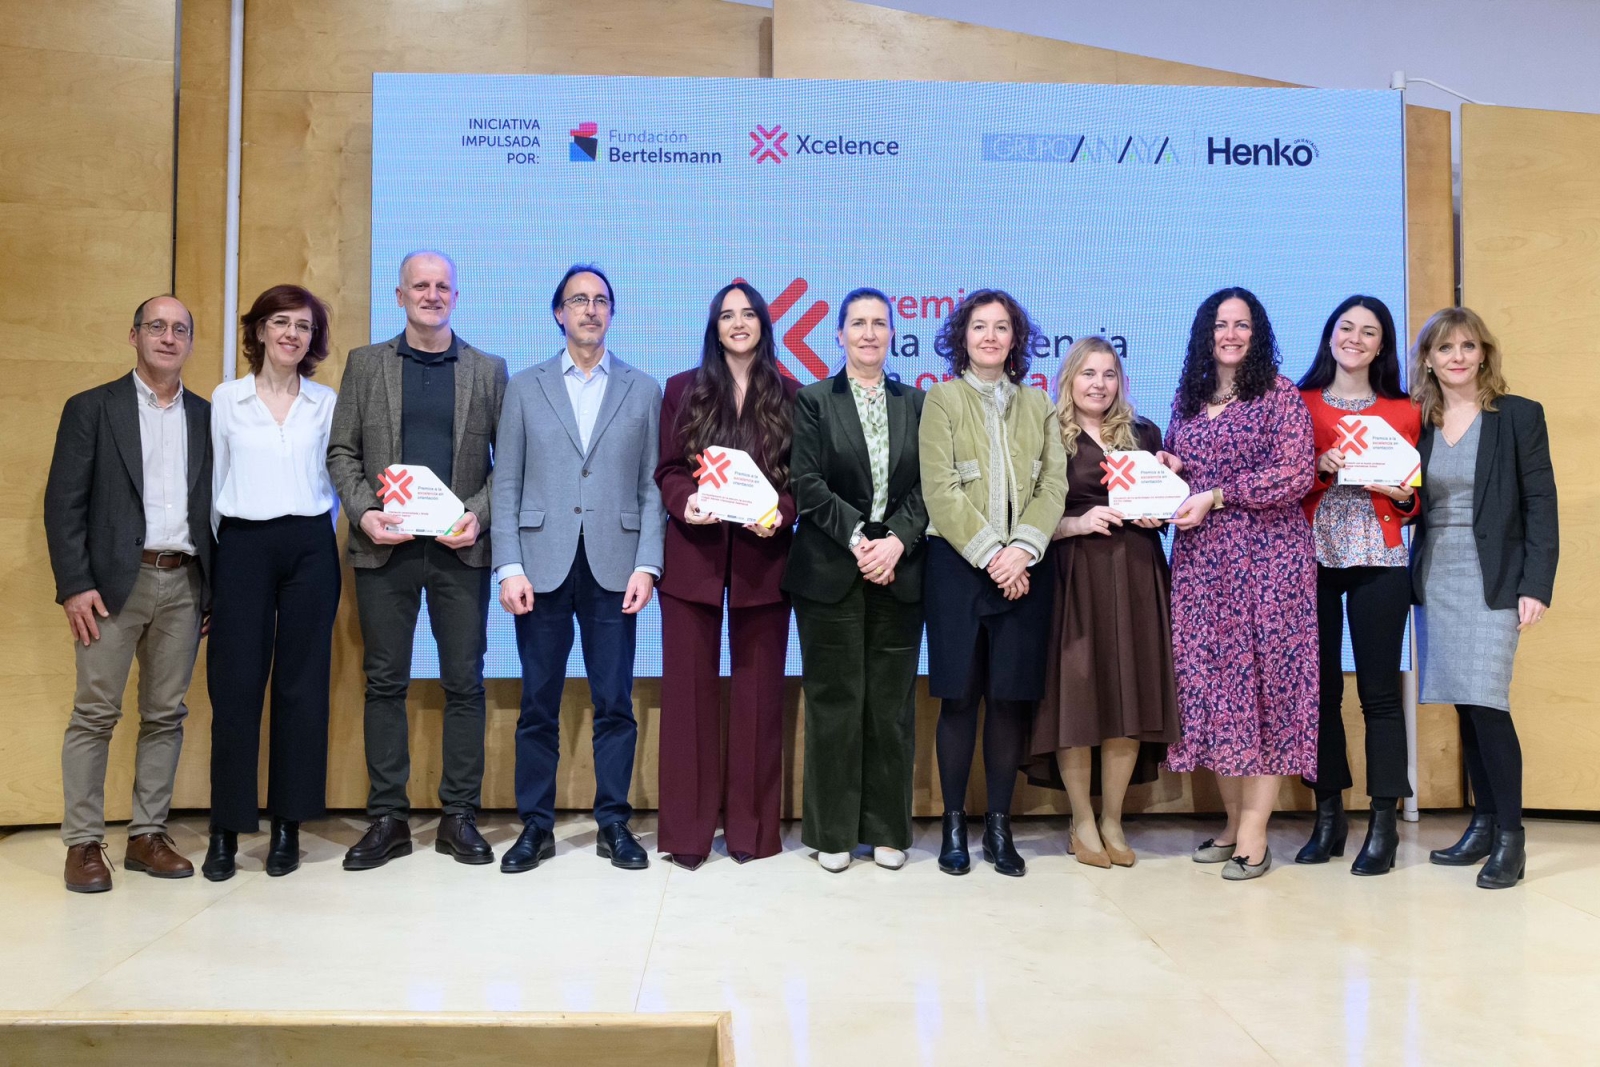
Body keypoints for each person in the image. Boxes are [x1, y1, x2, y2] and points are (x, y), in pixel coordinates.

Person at [327, 250, 507, 871]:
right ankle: (387, 819)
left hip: (460, 553)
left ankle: (459, 817)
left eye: (442, 287)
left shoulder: (487, 369)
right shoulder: (365, 364)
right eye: (420, 286)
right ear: (398, 295)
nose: (432, 295)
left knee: (464, 683)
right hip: (386, 549)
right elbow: (342, 452)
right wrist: (363, 512)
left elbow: (505, 466)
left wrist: (476, 515)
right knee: (385, 683)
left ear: (455, 296)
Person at [493, 264, 665, 873]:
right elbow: (506, 481)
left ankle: (614, 822)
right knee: (538, 703)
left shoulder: (643, 389)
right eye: (578, 300)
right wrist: (508, 565)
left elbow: (651, 487)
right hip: (540, 566)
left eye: (600, 301)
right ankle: (534, 826)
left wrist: (649, 563)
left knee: (615, 701)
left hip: (616, 568)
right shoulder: (524, 386)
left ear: (612, 313)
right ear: (558, 313)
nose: (590, 310)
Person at [44, 295, 213, 892]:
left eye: (180, 329)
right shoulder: (92, 408)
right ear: (134, 336)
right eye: (156, 327)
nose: (168, 337)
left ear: (190, 342)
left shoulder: (206, 415)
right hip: (112, 586)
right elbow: (63, 504)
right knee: (95, 714)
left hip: (186, 581)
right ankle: (83, 844)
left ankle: (147, 834)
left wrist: (213, 590)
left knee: (165, 715)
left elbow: (215, 509)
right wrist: (75, 585)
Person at [1161, 287, 1317, 881]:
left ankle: (1256, 832)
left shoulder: (1277, 394)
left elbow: (1296, 473)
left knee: (1267, 694)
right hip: (1202, 568)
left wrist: (1219, 494)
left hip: (1270, 567)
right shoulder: (1189, 396)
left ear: (1259, 333)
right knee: (1215, 696)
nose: (1230, 334)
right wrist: (1170, 467)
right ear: (1206, 332)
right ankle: (1231, 824)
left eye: (1242, 325)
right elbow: (1177, 463)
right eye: (1220, 324)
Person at [920, 289, 1066, 878]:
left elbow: (1052, 487)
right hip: (958, 569)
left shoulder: (1040, 406)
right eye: (979, 327)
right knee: (959, 700)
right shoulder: (942, 399)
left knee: (1008, 703)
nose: (989, 337)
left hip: (1025, 571)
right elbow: (939, 489)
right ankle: (954, 825)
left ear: (1015, 339)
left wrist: (1021, 552)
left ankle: (999, 829)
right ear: (963, 336)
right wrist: (991, 555)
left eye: (1001, 327)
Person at [653, 282, 799, 870]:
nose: (738, 323)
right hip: (694, 561)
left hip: (765, 567)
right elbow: (666, 468)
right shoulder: (681, 390)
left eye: (748, 314)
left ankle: (753, 831)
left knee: (759, 699)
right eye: (727, 315)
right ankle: (687, 836)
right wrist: (687, 500)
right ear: (714, 327)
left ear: (764, 324)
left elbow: (798, 482)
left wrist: (780, 515)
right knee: (687, 699)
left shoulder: (792, 394)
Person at [1410, 307, 1557, 890]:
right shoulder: (1418, 419)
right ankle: (1484, 822)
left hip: (1495, 574)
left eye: (1468, 346)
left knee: (1489, 701)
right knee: (1464, 702)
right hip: (1437, 574)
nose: (1458, 358)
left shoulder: (1518, 415)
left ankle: (1511, 837)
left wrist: (1535, 585)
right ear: (1428, 359)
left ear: (1484, 353)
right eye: (1446, 349)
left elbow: (1540, 505)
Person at [785, 288, 928, 874]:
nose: (869, 333)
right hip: (829, 571)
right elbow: (807, 482)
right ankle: (833, 830)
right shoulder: (814, 400)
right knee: (834, 702)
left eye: (879, 324)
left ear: (893, 334)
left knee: (890, 705)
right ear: (838, 335)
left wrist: (896, 539)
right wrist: (860, 540)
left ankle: (888, 828)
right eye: (857, 323)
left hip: (901, 569)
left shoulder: (918, 403)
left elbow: (930, 487)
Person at [202, 285, 341, 882]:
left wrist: (316, 530)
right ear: (258, 331)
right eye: (279, 322)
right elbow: (214, 484)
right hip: (243, 545)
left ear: (314, 339)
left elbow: (336, 479)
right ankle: (225, 830)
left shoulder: (326, 402)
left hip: (311, 545)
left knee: (301, 687)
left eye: (303, 326)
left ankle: (289, 825)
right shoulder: (226, 399)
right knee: (235, 688)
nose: (291, 334)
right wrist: (221, 559)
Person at [1024, 337, 1178, 869]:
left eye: (1109, 374)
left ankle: (1112, 817)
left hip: (1136, 575)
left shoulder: (1145, 435)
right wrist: (1074, 523)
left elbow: (1167, 504)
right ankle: (1081, 820)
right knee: (1078, 696)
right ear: (1069, 379)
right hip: (1074, 577)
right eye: (1088, 373)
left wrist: (1160, 507)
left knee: (1127, 697)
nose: (1099, 384)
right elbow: (1029, 514)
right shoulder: (1049, 437)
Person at [1294, 295, 1420, 875]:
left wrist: (1406, 497)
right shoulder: (1297, 403)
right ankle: (1328, 817)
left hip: (1381, 557)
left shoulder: (1406, 410)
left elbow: (1419, 493)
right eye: (1346, 327)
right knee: (1320, 692)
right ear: (1329, 335)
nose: (1355, 338)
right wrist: (1317, 466)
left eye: (1369, 332)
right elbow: (1282, 480)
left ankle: (1385, 823)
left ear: (1381, 346)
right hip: (1313, 553)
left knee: (1378, 695)